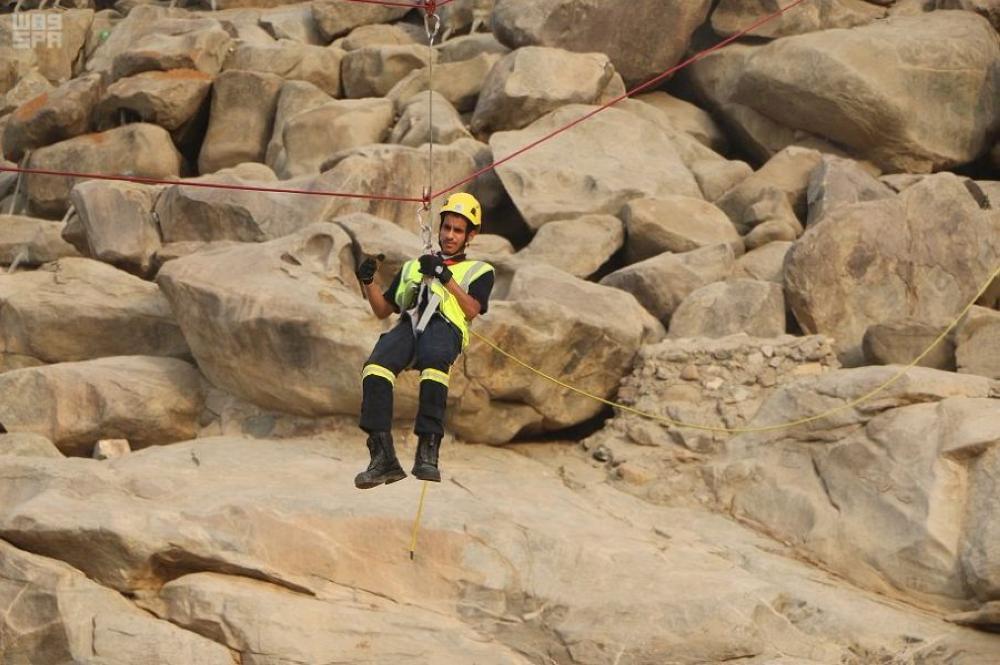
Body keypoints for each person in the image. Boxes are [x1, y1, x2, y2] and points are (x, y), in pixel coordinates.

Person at [353, 192, 495, 489]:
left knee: (434, 362)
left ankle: (428, 452)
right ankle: (383, 458)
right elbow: (383, 310)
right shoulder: (413, 267)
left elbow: (472, 309)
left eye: (458, 231)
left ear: (470, 236)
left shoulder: (480, 271)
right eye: (447, 228)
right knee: (376, 367)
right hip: (411, 324)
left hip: (445, 327)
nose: (450, 235)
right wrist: (369, 282)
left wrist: (444, 276)